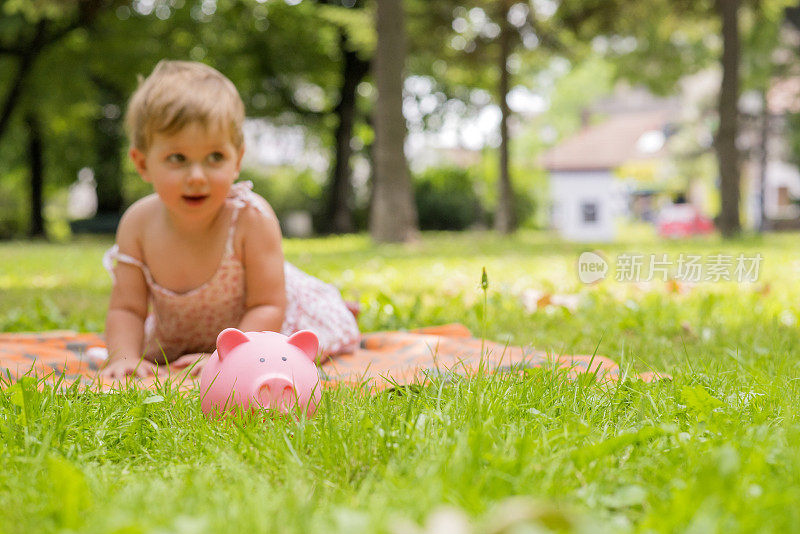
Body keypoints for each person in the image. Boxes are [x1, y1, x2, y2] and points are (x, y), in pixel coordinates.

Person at [100, 60, 359, 380]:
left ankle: (337, 305)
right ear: (142, 163)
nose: (197, 177)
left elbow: (267, 306)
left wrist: (227, 359)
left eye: (215, 158)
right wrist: (124, 359)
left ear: (237, 159)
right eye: (177, 158)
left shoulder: (250, 218)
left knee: (314, 335)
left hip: (265, 324)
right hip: (183, 332)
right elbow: (128, 308)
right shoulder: (138, 224)